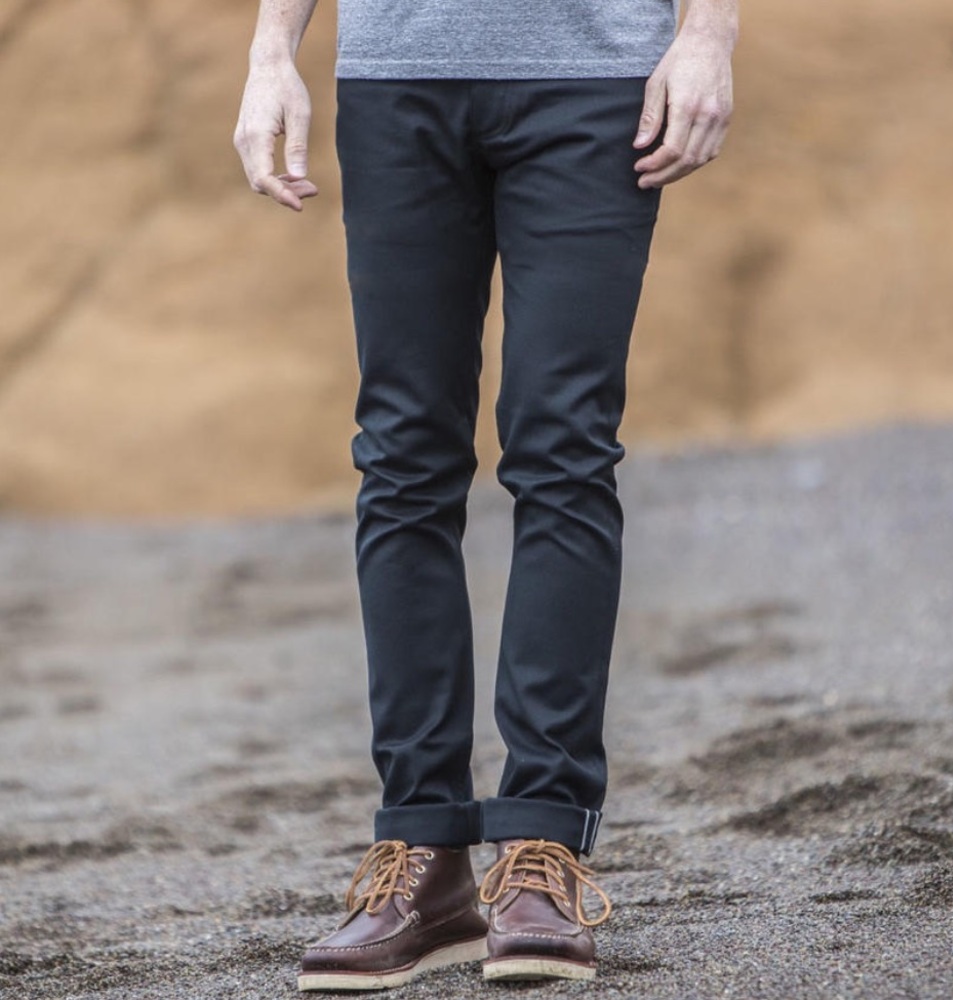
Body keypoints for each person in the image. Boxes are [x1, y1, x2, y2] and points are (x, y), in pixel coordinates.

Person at [235, 0, 737, 990]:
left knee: (563, 452)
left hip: (594, 80)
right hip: (396, 80)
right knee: (403, 462)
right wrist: (269, 52)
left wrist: (709, 32)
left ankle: (541, 846)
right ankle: (422, 857)